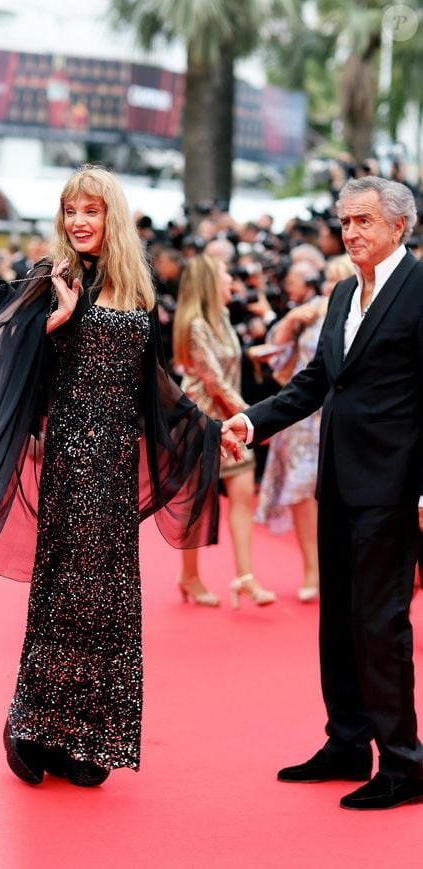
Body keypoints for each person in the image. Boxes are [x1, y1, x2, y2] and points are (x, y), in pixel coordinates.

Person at [0, 165, 223, 788]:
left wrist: (210, 424)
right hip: (71, 458)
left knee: (106, 597)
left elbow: (152, 383)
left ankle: (86, 733)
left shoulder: (137, 286)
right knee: (64, 589)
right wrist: (52, 322)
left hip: (115, 464)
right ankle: (29, 724)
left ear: (112, 217)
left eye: (91, 210)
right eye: (70, 209)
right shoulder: (54, 278)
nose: (79, 220)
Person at [222, 176, 423, 811]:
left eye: (364, 221)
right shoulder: (341, 294)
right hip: (336, 479)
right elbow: (315, 382)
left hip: (395, 486)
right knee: (337, 620)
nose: (351, 232)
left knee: (381, 622)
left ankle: (405, 763)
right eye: (345, 221)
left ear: (399, 226)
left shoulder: (420, 292)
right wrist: (253, 421)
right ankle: (346, 743)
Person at [173, 254, 275, 608]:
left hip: (230, 419)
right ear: (209, 281)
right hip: (202, 422)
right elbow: (214, 382)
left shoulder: (224, 317)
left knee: (243, 493)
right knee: (197, 502)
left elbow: (228, 372)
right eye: (225, 273)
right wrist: (257, 417)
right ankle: (189, 575)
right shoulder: (196, 324)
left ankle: (245, 577)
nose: (232, 278)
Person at [255, 255, 354, 602]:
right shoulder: (310, 315)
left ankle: (340, 567)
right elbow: (280, 365)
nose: (329, 286)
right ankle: (312, 567)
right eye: (327, 279)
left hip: (339, 420)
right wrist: (290, 321)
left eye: (336, 279)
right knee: (299, 492)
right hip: (302, 422)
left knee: (338, 494)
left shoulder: (358, 313)